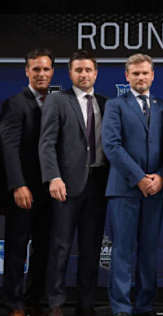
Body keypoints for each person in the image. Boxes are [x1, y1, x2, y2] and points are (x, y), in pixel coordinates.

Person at [39, 50, 109, 316]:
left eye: (88, 70)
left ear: (96, 73)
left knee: (91, 247)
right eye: (78, 70)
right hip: (65, 185)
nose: (83, 74)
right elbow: (46, 143)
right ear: (70, 73)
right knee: (60, 246)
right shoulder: (58, 101)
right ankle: (55, 302)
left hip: (99, 184)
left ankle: (86, 303)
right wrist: (53, 177)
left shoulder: (106, 103)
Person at [102, 53, 163, 316]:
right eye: (136, 73)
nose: (141, 78)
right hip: (124, 190)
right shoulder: (115, 106)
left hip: (156, 189)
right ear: (127, 76)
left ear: (152, 75)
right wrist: (139, 178)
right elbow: (112, 146)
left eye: (145, 73)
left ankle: (144, 305)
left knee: (149, 251)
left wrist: (161, 176)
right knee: (122, 251)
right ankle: (121, 308)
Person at [0, 48, 54, 316]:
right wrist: (17, 185)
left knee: (44, 249)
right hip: (23, 191)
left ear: (52, 71)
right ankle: (12, 302)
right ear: (27, 71)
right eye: (36, 69)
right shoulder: (14, 103)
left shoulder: (57, 101)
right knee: (17, 248)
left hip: (50, 192)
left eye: (46, 69)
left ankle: (34, 299)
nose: (41, 73)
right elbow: (8, 148)